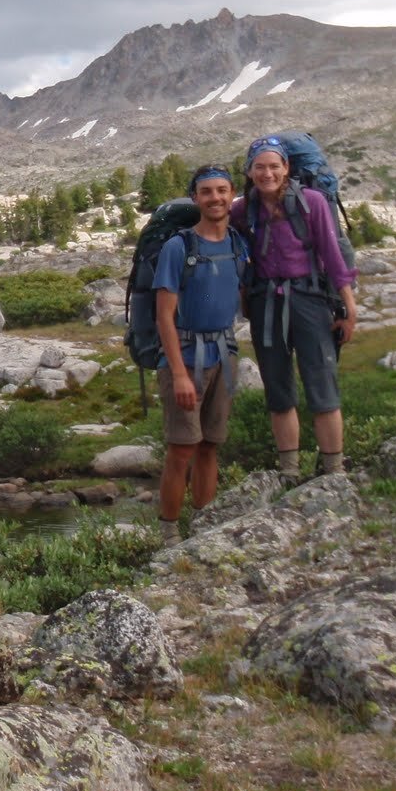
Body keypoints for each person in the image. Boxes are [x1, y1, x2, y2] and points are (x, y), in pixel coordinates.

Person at [232, 135, 358, 479]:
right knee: (277, 388)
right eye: (260, 167)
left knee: (322, 385)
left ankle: (334, 469)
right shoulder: (242, 209)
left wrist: (348, 306)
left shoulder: (313, 202)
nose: (267, 173)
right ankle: (289, 471)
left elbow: (333, 256)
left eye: (274, 166)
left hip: (310, 301)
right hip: (265, 305)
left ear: (287, 168)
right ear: (249, 170)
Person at [155, 164, 249, 545]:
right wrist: (177, 373)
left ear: (232, 194)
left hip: (223, 355)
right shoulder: (179, 247)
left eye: (222, 190)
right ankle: (169, 534)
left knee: (211, 445)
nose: (216, 198)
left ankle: (204, 527)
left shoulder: (237, 244)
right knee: (182, 450)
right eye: (207, 191)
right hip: (186, 358)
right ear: (195, 198)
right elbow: (164, 315)